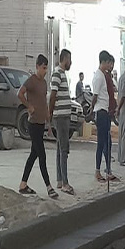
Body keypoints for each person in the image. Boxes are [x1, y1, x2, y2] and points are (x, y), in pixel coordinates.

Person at [18, 54, 57, 199]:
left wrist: (48, 121)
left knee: (33, 154)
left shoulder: (44, 83)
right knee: (42, 154)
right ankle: (49, 186)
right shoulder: (32, 81)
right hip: (33, 123)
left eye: (46, 68)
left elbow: (44, 102)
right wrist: (29, 106)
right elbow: (20, 93)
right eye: (43, 68)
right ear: (37, 66)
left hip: (41, 123)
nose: (45, 71)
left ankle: (23, 184)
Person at [49, 48, 74, 195]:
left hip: (63, 115)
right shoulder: (57, 73)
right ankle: (65, 182)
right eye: (69, 59)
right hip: (61, 116)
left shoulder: (62, 74)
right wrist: (50, 115)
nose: (71, 62)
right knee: (64, 149)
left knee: (60, 148)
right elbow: (52, 96)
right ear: (64, 59)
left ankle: (60, 180)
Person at [91, 50, 119, 182]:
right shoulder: (98, 76)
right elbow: (95, 96)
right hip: (101, 111)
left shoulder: (104, 75)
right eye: (108, 63)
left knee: (107, 142)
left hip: (106, 111)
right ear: (104, 62)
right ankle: (97, 171)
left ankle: (108, 170)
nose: (110, 66)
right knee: (101, 143)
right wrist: (91, 109)